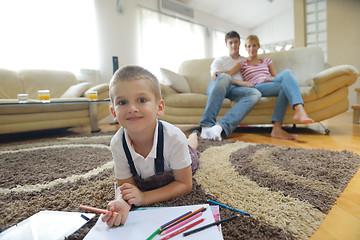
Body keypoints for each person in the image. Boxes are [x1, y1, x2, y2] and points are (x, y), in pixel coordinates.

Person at [101, 65, 200, 226]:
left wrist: (145, 198)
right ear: (113, 112)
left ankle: (194, 134)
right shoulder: (117, 144)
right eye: (123, 102)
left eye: (141, 100)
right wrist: (123, 202)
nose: (132, 108)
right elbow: (126, 188)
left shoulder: (174, 138)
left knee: (192, 149)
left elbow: (184, 184)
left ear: (159, 107)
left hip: (179, 154)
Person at [225, 35, 314, 140]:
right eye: (249, 46)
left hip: (270, 82)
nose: (251, 49)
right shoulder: (242, 63)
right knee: (287, 76)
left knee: (286, 81)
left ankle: (277, 129)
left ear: (258, 46)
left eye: (254, 45)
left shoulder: (267, 61)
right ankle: (299, 110)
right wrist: (218, 73)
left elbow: (276, 77)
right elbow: (228, 74)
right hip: (257, 86)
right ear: (246, 48)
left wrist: (271, 79)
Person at [199, 31, 261, 141]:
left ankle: (220, 127)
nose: (234, 45)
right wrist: (241, 82)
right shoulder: (220, 60)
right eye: (230, 43)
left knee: (255, 94)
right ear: (226, 45)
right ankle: (206, 126)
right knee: (225, 77)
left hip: (235, 90)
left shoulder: (244, 61)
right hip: (218, 87)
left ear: (240, 43)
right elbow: (216, 77)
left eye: (236, 42)